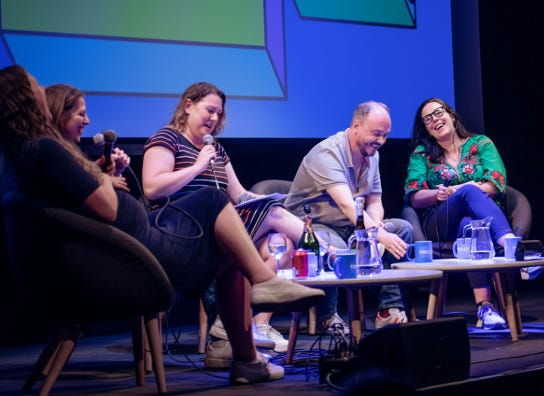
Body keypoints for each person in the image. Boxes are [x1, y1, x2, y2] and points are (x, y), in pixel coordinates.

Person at [0, 65, 324, 385]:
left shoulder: (26, 154)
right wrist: (102, 178)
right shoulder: (46, 148)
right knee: (213, 203)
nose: (43, 90)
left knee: (238, 239)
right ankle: (266, 290)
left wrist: (100, 175)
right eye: (35, 85)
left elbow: (87, 206)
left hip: (132, 249)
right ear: (25, 100)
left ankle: (247, 353)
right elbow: (110, 207)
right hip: (145, 252)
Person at [142, 82, 302, 359]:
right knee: (273, 217)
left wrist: (266, 200)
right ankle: (329, 253)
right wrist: (197, 167)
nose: (214, 119)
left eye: (219, 114)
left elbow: (239, 194)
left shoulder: (215, 149)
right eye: (210, 110)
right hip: (178, 231)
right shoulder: (167, 138)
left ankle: (232, 328)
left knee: (280, 245)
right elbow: (152, 188)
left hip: (215, 230)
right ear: (188, 105)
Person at [285, 101, 414, 332]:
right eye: (376, 134)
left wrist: (375, 230)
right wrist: (377, 234)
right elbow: (346, 204)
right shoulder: (327, 153)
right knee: (334, 244)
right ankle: (327, 316)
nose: (381, 141)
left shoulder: (372, 153)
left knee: (402, 228)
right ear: (356, 126)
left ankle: (389, 309)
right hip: (314, 227)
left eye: (385, 135)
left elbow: (374, 201)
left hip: (352, 226)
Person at [404, 98, 520, 329]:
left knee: (470, 224)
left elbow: (496, 181)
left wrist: (466, 191)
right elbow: (413, 195)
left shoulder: (481, 143)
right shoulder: (422, 154)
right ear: (425, 129)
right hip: (439, 221)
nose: (435, 120)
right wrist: (441, 194)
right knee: (468, 194)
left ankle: (485, 307)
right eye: (428, 119)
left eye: (439, 113)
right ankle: (513, 248)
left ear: (452, 115)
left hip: (480, 221)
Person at [45, 83, 131, 191]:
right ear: (60, 115)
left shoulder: (64, 155)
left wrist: (106, 171)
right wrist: (102, 179)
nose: (87, 121)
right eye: (81, 114)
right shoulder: (48, 153)